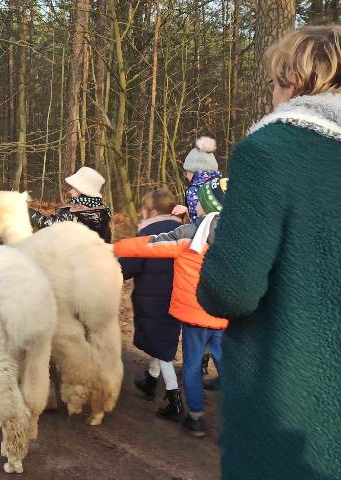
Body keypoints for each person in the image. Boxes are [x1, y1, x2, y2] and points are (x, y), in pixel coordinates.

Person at [198, 26, 341, 480]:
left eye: (273, 84)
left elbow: (230, 291)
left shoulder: (270, 151)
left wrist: (217, 245)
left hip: (292, 396)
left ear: (292, 81)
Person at [114, 178, 229, 437]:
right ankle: (235, 419)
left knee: (189, 365)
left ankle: (192, 415)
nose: (195, 202)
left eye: (199, 200)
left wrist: (115, 248)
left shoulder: (188, 234)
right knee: (224, 364)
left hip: (190, 313)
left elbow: (145, 249)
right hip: (221, 314)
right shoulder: (234, 239)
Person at [119, 188, 184, 421]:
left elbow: (127, 266)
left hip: (153, 298)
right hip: (179, 297)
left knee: (163, 349)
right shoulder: (184, 232)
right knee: (163, 338)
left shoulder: (148, 235)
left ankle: (174, 400)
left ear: (152, 211)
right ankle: (150, 380)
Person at [28, 166, 112, 242]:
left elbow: (50, 226)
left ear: (84, 191)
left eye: (74, 188)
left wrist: (29, 212)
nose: (70, 191)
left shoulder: (75, 211)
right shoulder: (102, 213)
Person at [183, 136, 221, 225]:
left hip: (204, 230)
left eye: (186, 171)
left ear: (192, 170)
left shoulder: (194, 190)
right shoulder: (220, 183)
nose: (186, 176)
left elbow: (195, 220)